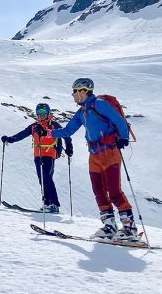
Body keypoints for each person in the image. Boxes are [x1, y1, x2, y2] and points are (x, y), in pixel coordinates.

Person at [45, 78, 136, 241]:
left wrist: (123, 137)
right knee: (99, 191)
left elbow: (119, 120)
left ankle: (130, 228)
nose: (72, 95)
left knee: (114, 191)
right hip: (94, 155)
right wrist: (50, 133)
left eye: (74, 91)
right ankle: (110, 226)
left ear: (83, 91)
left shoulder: (99, 104)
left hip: (110, 152)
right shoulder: (82, 112)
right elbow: (68, 130)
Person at [1, 103, 72, 213]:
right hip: (38, 155)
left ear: (48, 113)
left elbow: (66, 135)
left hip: (49, 154)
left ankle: (54, 204)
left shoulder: (53, 125)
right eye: (39, 113)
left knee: (47, 177)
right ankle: (46, 203)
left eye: (43, 113)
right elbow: (22, 134)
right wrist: (10, 139)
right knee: (41, 179)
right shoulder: (33, 126)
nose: (41, 115)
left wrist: (69, 147)